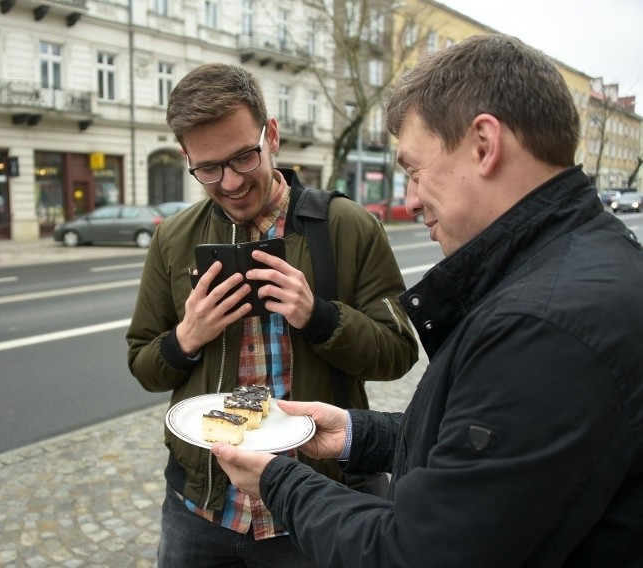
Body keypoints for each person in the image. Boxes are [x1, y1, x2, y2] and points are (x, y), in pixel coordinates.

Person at [212, 34, 643, 567]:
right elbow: (487, 453)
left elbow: (415, 553)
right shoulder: (575, 265)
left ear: (485, 144)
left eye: (415, 171)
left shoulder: (542, 325)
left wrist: (278, 480)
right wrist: (356, 433)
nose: (411, 200)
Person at [126, 63, 418, 567]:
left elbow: (397, 352)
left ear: (272, 134)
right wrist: (186, 338)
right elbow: (144, 365)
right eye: (209, 168)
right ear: (187, 158)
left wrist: (320, 317)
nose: (232, 182)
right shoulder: (173, 239)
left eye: (244, 156)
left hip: (313, 506)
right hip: (202, 509)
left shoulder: (345, 226)